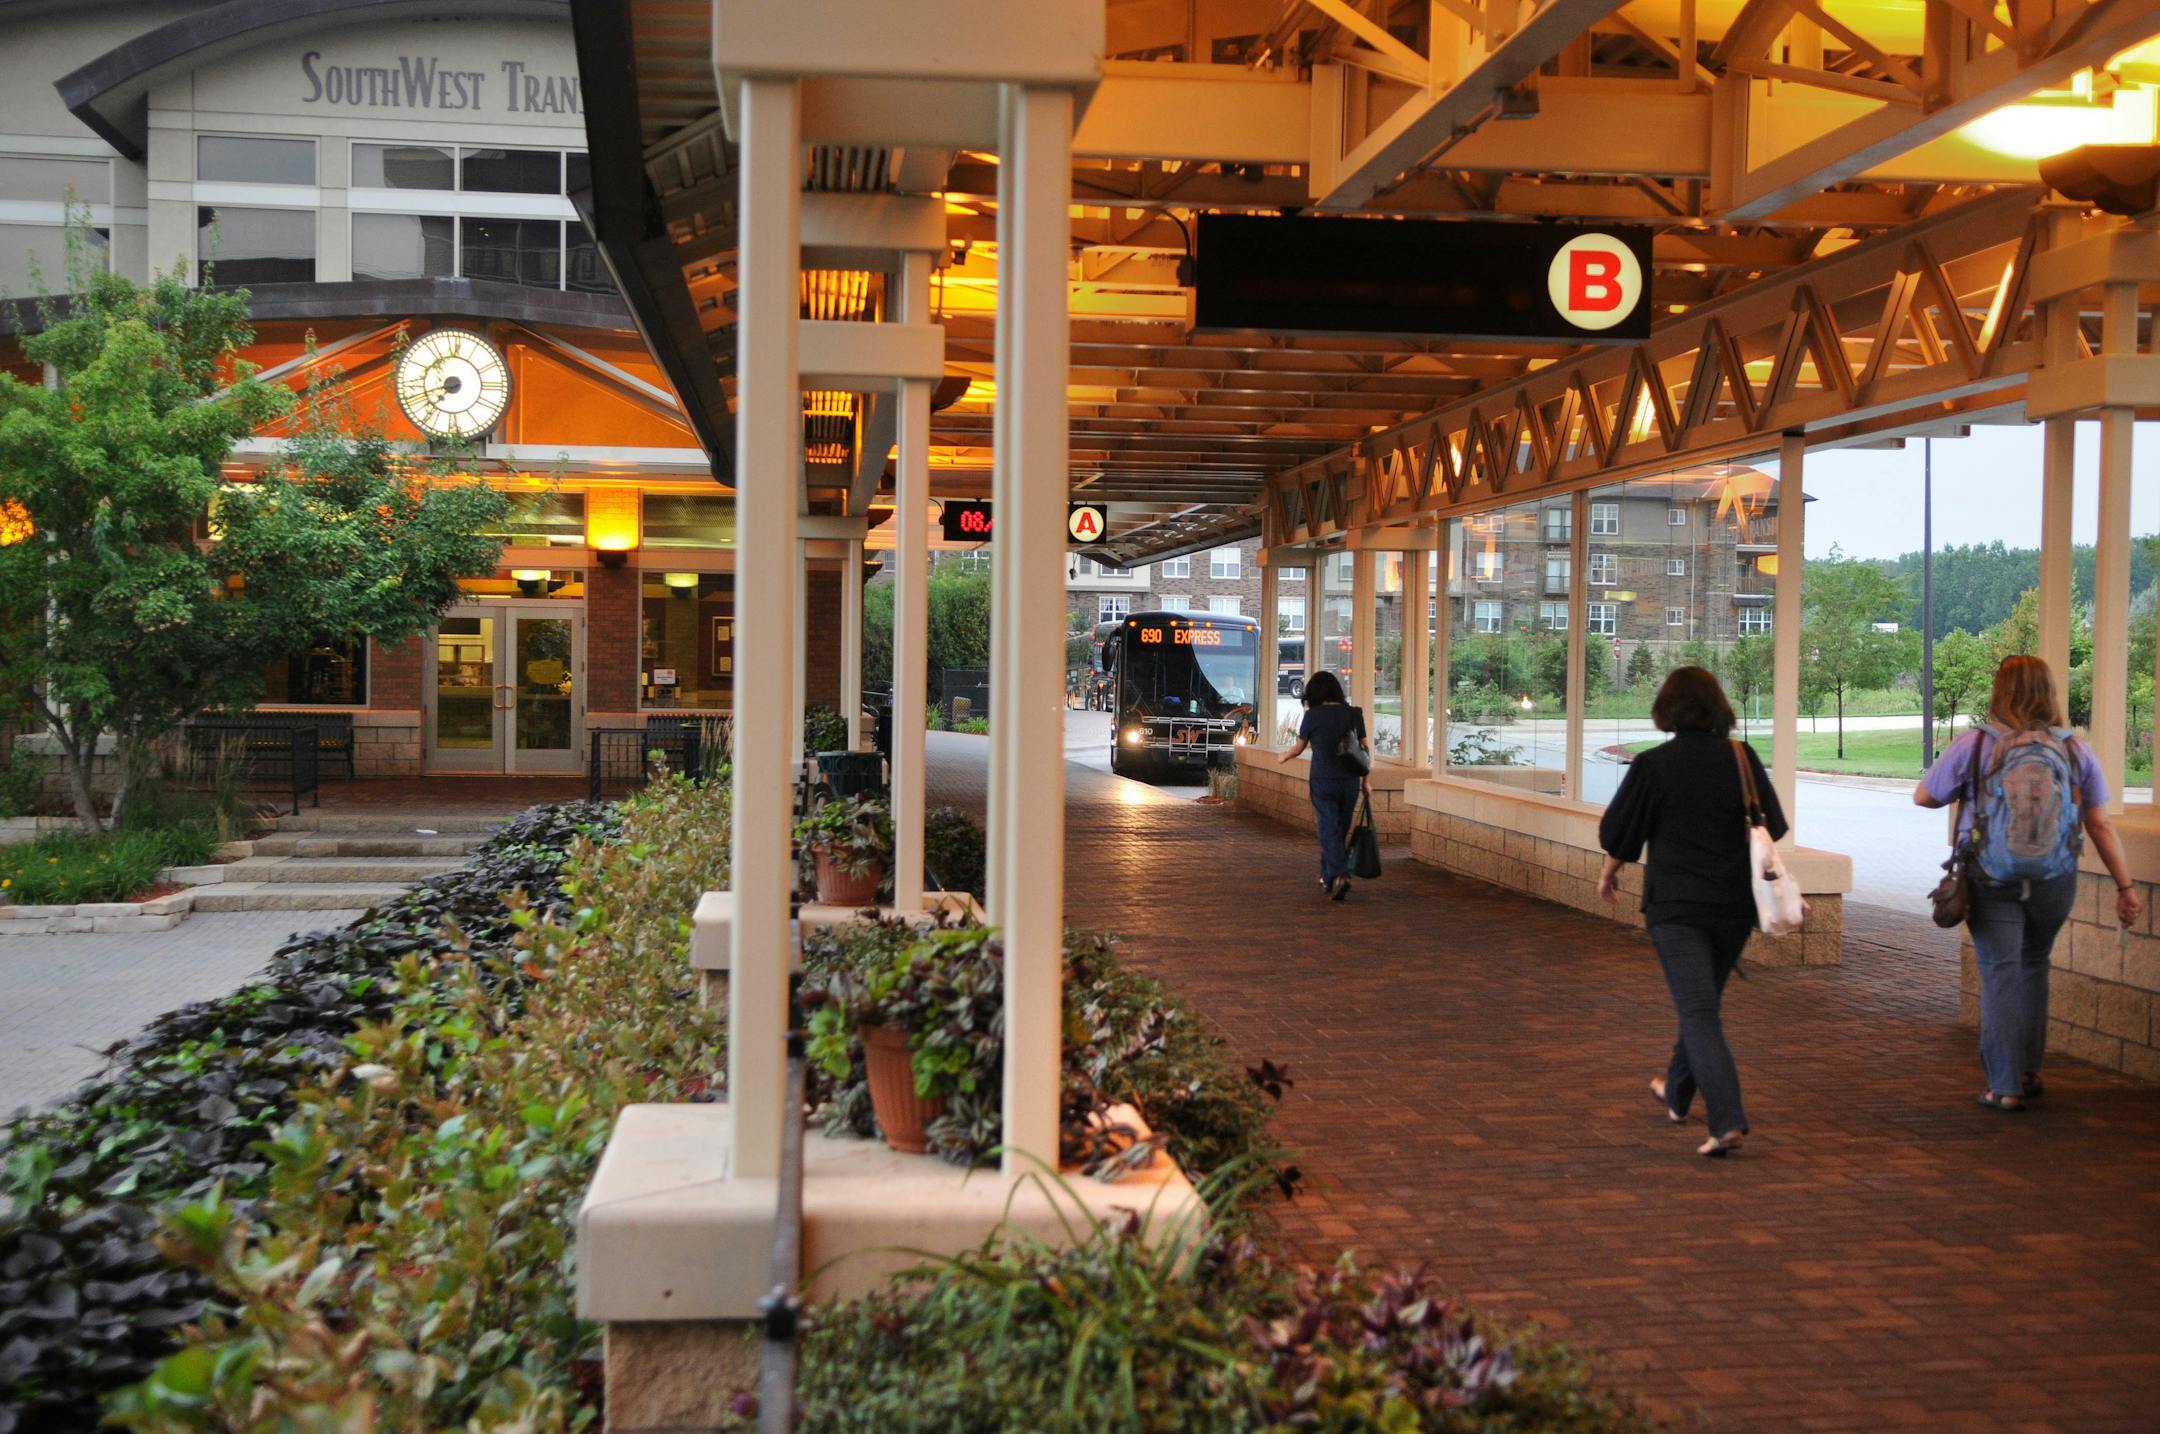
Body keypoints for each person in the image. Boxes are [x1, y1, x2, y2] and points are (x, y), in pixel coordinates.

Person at [1916, 654, 2142, 1112]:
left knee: (2000, 972)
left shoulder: (1975, 744)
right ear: (2049, 692)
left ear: (1999, 692)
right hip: (2054, 878)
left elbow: (1925, 796)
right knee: (2035, 966)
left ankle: (2003, 1087)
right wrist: (2125, 887)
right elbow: (2099, 823)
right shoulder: (2074, 750)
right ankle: (2027, 1071)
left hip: (1989, 876)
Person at [1597, 666, 1785, 1158]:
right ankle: (1677, 1092)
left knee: (1698, 1010)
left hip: (1677, 907)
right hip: (1734, 906)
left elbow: (1619, 833)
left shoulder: (1653, 765)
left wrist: (1608, 873)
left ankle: (1727, 1119)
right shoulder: (1742, 757)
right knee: (1701, 1005)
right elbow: (1776, 825)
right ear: (1718, 707)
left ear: (1667, 710)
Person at [1276, 669, 1367, 901]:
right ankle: (1328, 877)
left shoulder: (1313, 716)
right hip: (1349, 781)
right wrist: (1366, 780)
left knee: (1328, 829)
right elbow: (1365, 749)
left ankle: (1339, 873)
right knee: (1340, 829)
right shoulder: (1354, 714)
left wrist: (1284, 756)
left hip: (1323, 780)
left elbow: (1298, 748)